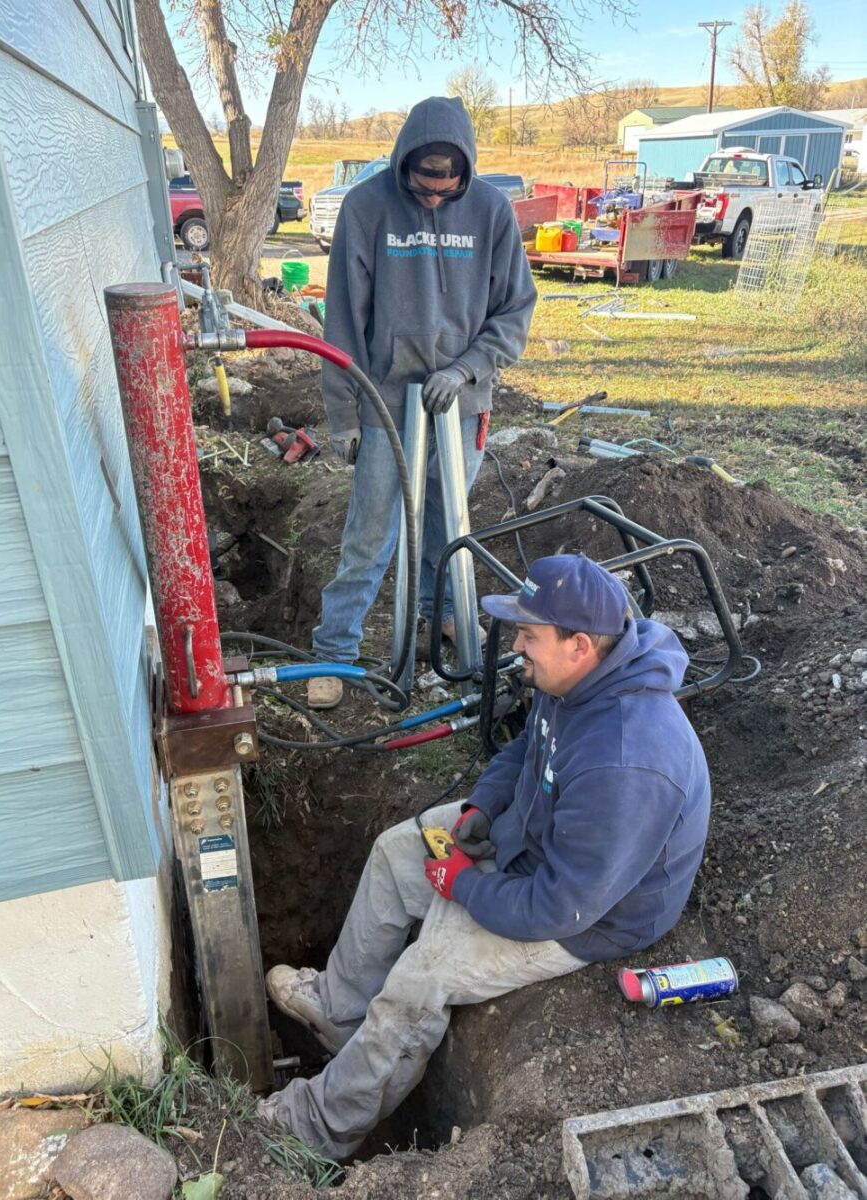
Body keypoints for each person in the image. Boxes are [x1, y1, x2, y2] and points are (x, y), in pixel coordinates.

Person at [258, 555, 712, 1158]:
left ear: (579, 645)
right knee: (399, 852)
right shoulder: (579, 682)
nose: (518, 648)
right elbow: (529, 748)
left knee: (424, 974)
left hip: (591, 916)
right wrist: (483, 808)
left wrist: (464, 884)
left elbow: (559, 907)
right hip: (535, 832)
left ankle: (315, 1130)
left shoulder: (625, 762)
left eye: (530, 636)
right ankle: (340, 1010)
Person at [307, 96, 537, 709]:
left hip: (459, 402)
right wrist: (343, 414)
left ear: (465, 172)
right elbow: (344, 324)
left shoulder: (491, 211)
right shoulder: (366, 207)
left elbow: (515, 310)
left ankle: (442, 618)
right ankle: (334, 650)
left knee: (447, 523)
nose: (433, 196)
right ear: (405, 162)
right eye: (422, 183)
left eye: (447, 187)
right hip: (388, 401)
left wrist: (467, 370)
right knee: (371, 532)